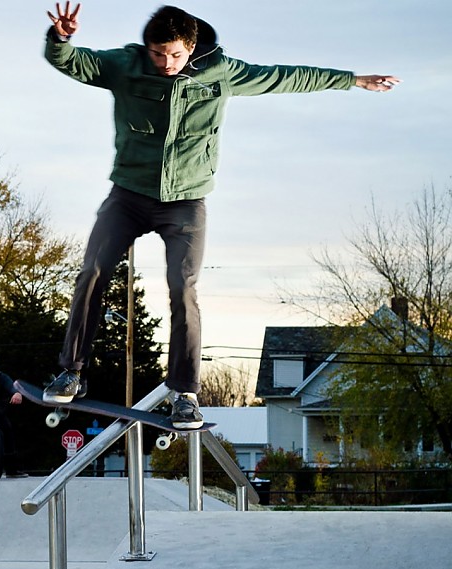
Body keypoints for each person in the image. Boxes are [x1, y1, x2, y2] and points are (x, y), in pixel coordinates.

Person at [41, 4, 399, 428]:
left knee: (183, 288)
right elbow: (74, 64)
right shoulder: (126, 65)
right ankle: (71, 371)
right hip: (128, 196)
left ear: (191, 47)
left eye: (174, 55)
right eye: (158, 55)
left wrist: (352, 80)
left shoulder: (221, 72)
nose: (166, 64)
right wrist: (61, 40)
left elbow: (284, 76)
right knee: (94, 270)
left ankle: (184, 393)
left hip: (186, 203)